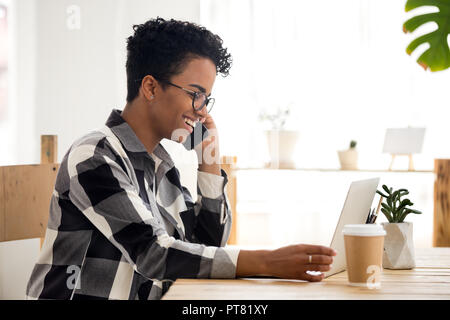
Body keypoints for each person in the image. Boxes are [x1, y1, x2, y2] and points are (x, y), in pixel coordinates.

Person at [26, 17, 336, 300]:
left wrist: (209, 162)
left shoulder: (162, 167)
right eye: (195, 93)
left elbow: (207, 246)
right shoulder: (94, 156)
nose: (202, 110)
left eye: (206, 98)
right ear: (150, 87)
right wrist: (267, 262)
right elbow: (152, 253)